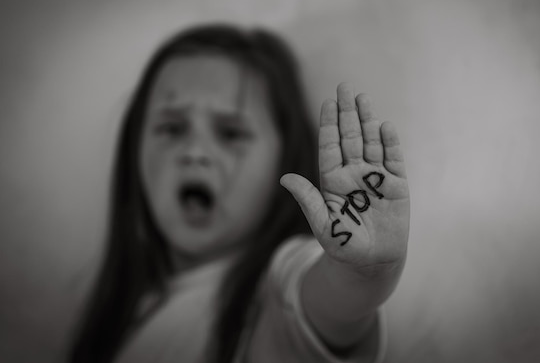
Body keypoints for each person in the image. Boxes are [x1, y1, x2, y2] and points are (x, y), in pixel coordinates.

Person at [68, 24, 410, 363]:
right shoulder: (131, 306)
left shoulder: (272, 291)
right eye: (171, 128)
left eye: (231, 133)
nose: (195, 151)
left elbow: (325, 301)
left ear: (284, 158)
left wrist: (358, 275)